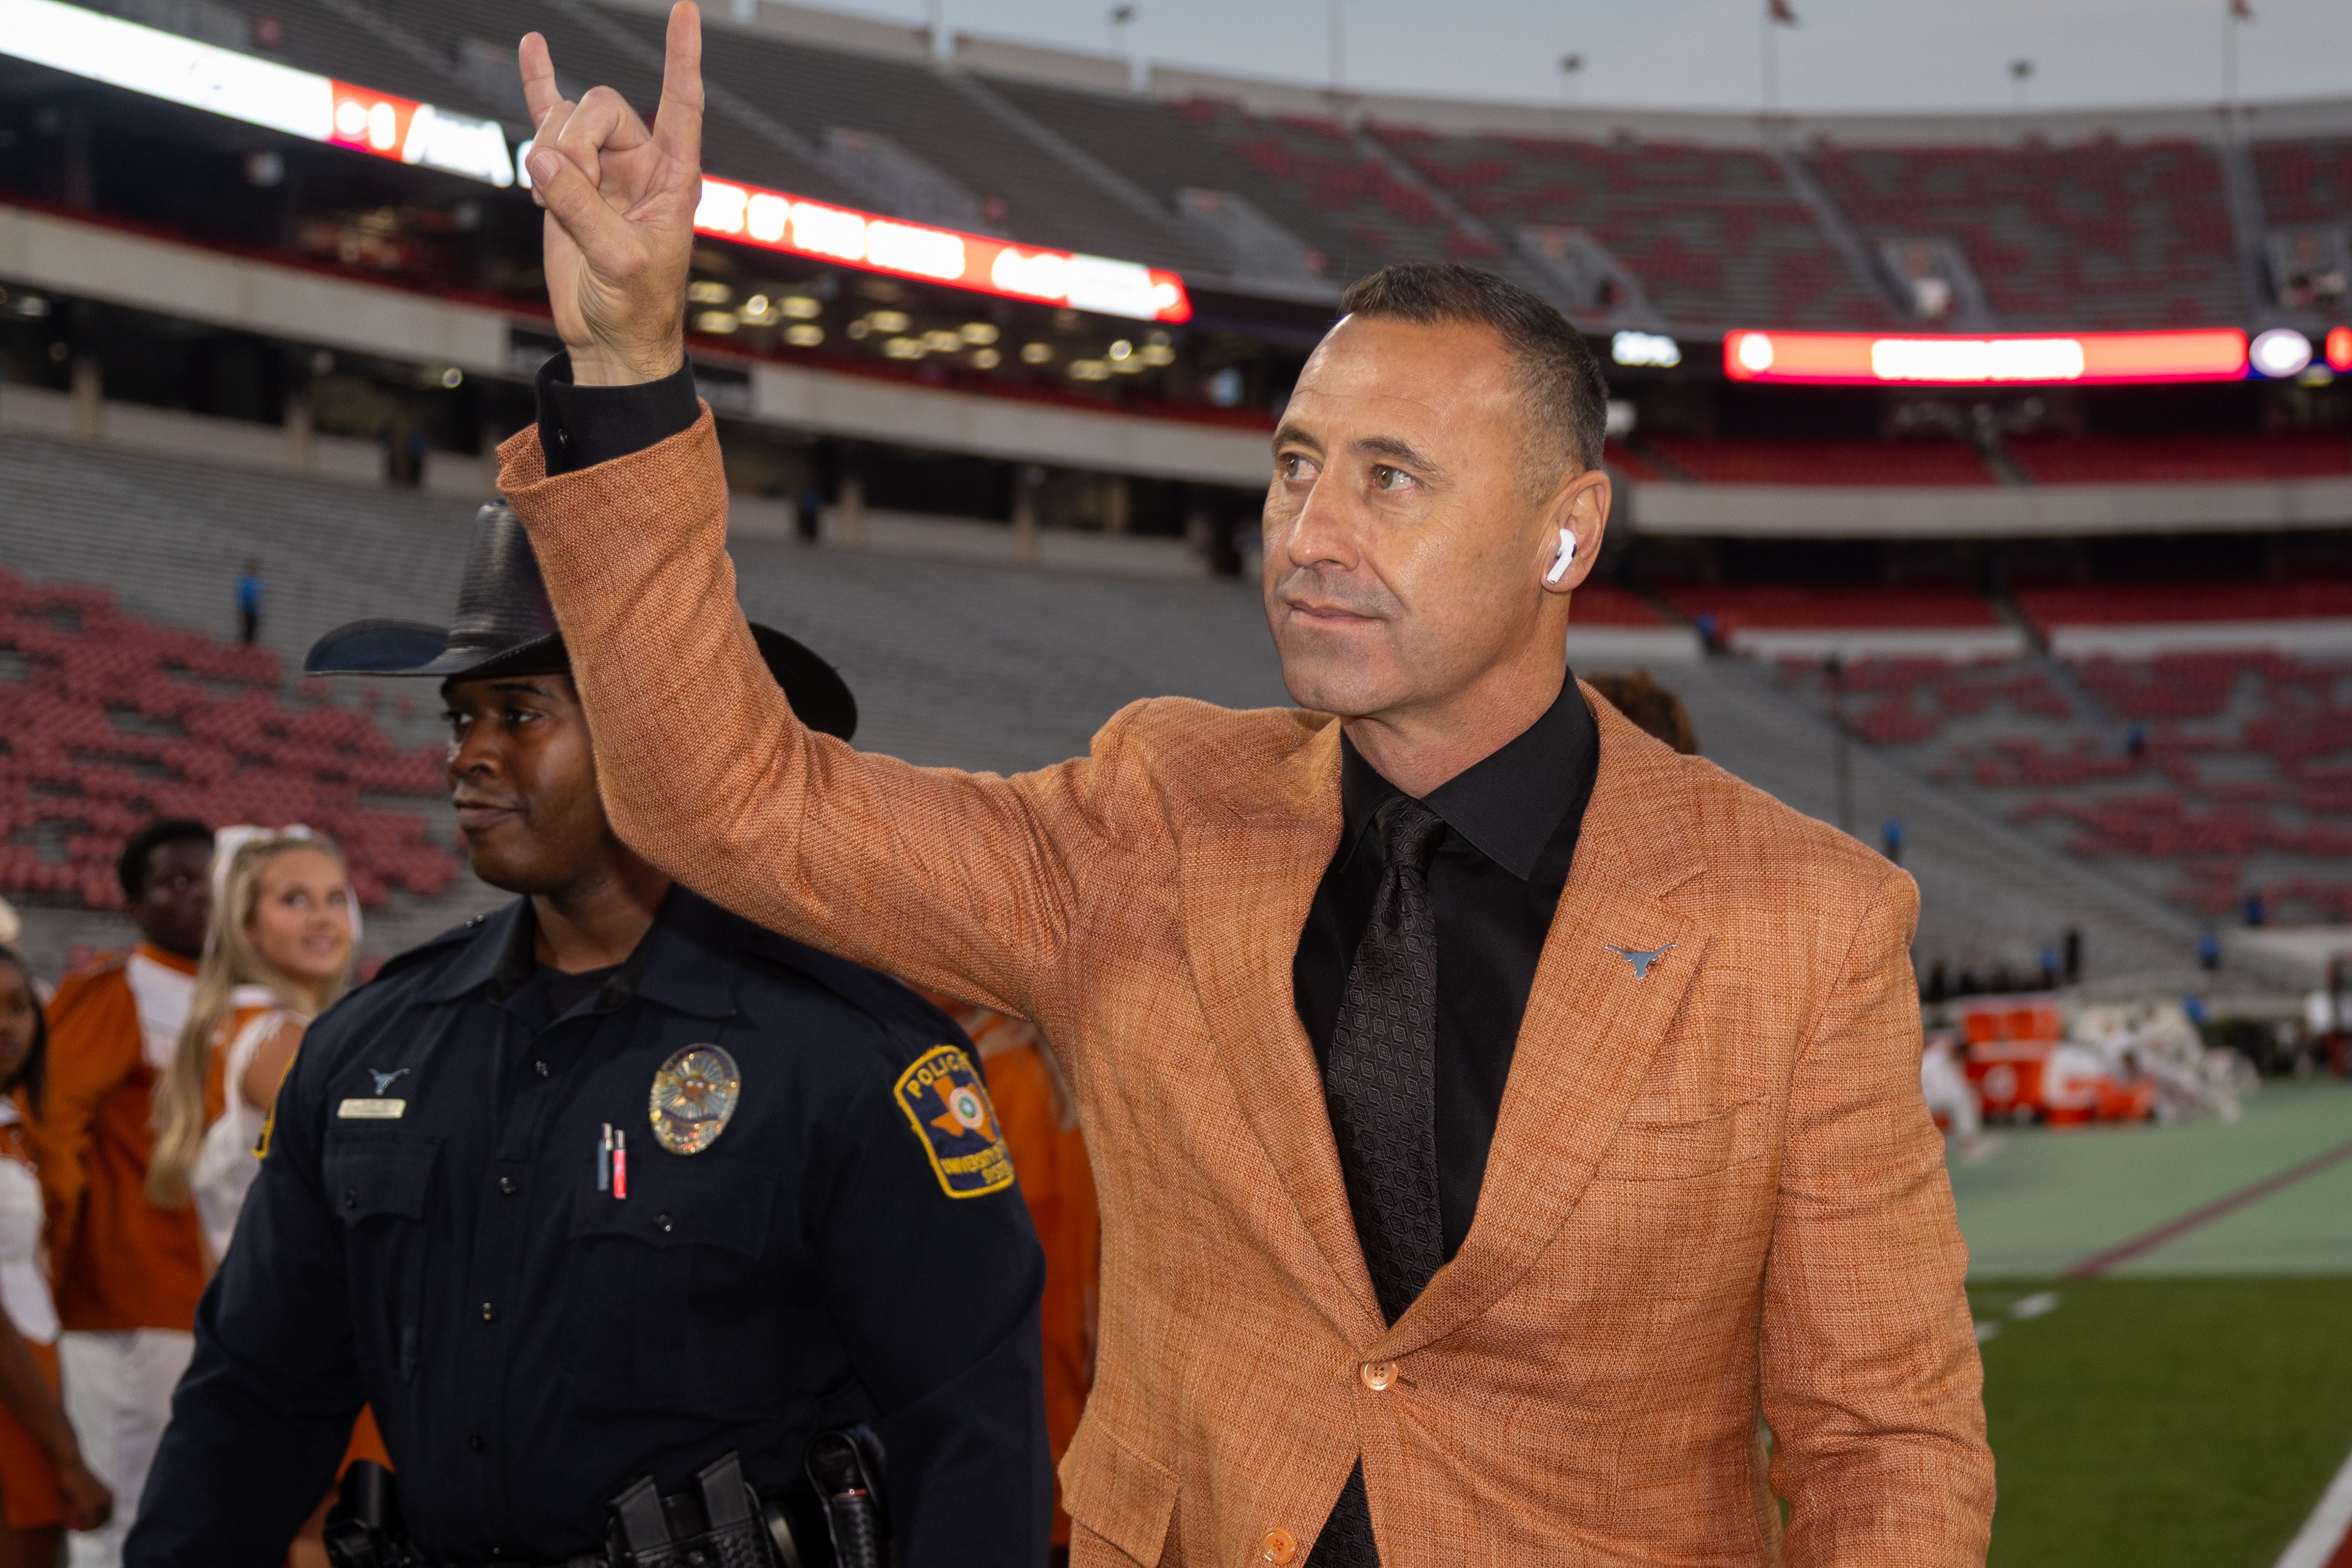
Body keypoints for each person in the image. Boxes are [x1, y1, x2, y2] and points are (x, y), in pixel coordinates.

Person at [493, 13, 1994, 1563]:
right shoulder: (1154, 809)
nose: (1308, 531)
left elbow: (1886, 1443)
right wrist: (625, 367)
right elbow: (726, 804)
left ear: (1567, 532)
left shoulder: (1801, 920)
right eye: (1294, 466)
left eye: (1388, 479)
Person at [127, 504, 1051, 1566]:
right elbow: (254, 1403)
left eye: (518, 714)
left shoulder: (851, 1058)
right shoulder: (369, 1048)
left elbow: (971, 1445)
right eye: (458, 718)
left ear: (658, 739)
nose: (466, 758)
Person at [33, 819, 211, 1568]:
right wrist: (55, 1264)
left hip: (221, 1294)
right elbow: (54, 1132)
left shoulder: (254, 997)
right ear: (134, 907)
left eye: (210, 878)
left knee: (191, 1510)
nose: (201, 897)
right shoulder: (114, 992)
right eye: (176, 883)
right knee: (118, 1517)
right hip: (128, 1300)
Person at [144, 829, 356, 1266]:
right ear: (246, 927)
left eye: (336, 898)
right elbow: (364, 1181)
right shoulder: (281, 1038)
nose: (324, 918)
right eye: (295, 900)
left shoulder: (237, 1025)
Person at [0, 947, 113, 1561]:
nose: (7, 1024)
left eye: (19, 1005)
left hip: (31, 1389)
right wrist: (66, 1454)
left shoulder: (15, 1126)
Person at [235, 561, 264, 648]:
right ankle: (246, 647)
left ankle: (250, 646)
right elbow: (245, 596)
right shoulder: (246, 581)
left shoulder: (257, 582)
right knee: (247, 630)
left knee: (253, 631)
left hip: (254, 611)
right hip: (248, 610)